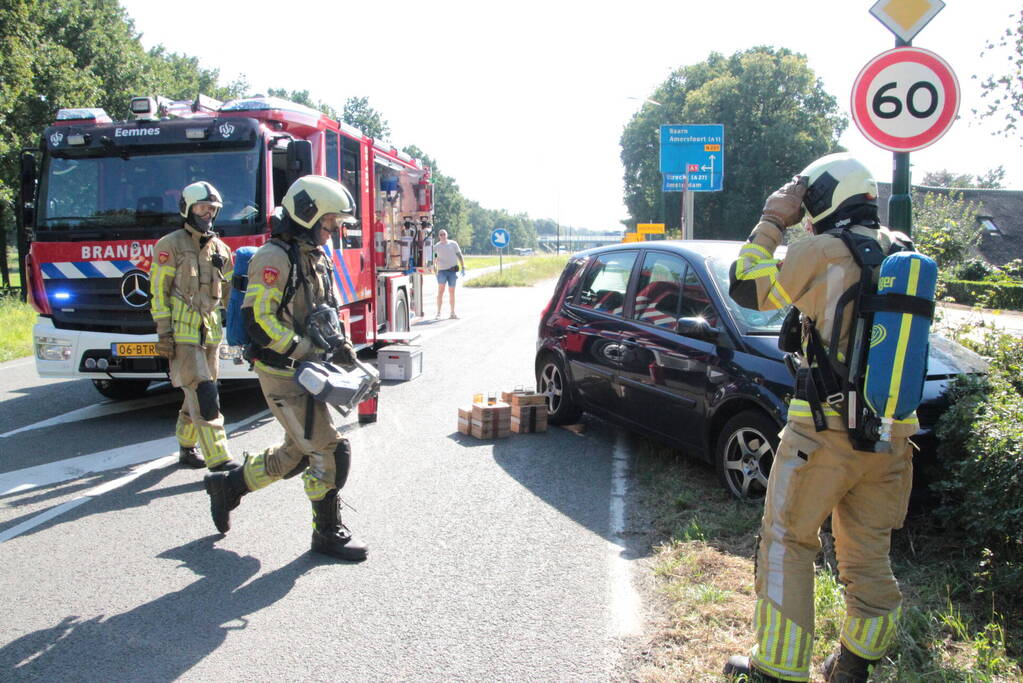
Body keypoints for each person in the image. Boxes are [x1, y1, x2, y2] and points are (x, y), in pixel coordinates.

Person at [724, 154, 917, 683]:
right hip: (894, 437)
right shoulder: (902, 250)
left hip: (822, 434)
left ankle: (778, 669)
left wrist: (771, 219)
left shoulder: (822, 250)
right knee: (869, 553)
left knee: (788, 541)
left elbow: (747, 288)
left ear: (823, 198)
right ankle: (855, 664)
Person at [203, 175, 367, 562]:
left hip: (310, 370)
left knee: (295, 453)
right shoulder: (273, 258)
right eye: (328, 224)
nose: (331, 233)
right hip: (282, 371)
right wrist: (304, 350)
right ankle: (326, 533)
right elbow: (261, 323)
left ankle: (228, 487)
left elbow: (323, 310)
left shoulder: (315, 255)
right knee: (330, 449)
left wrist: (339, 344)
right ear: (307, 215)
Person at [150, 181, 238, 471]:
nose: (207, 214)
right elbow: (158, 292)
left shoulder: (222, 249)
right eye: (202, 208)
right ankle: (218, 457)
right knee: (204, 393)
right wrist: (164, 332)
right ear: (187, 209)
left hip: (210, 334)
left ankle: (186, 449)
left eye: (212, 209)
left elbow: (227, 295)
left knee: (198, 392)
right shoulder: (170, 245)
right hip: (182, 333)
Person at [432, 229, 465, 319]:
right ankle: (438, 313)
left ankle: (452, 313)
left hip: (452, 271)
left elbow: (459, 255)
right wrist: (434, 266)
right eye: (441, 235)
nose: (442, 236)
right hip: (442, 271)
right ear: (439, 236)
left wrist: (463, 267)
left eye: (444, 234)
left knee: (452, 292)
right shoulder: (436, 247)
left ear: (447, 235)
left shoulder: (453, 244)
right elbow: (435, 257)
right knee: (440, 291)